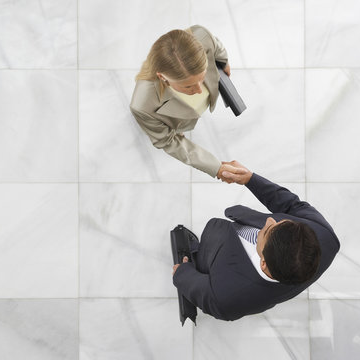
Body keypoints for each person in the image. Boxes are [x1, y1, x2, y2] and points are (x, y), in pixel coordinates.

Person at [172, 161, 340, 321]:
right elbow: (292, 206)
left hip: (211, 260)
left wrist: (182, 272)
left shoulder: (227, 298)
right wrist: (250, 179)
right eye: (281, 221)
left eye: (266, 231)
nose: (268, 220)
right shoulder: (325, 236)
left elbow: (204, 293)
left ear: (264, 263)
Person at [130, 25, 240, 181]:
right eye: (188, 86)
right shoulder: (143, 105)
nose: (199, 90)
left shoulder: (203, 36)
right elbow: (168, 141)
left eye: (201, 79)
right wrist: (217, 168)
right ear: (162, 77)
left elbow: (217, 48)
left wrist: (224, 62)